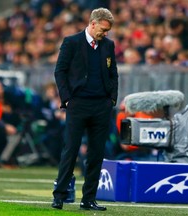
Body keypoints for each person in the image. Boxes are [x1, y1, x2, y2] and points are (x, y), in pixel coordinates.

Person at [52, 8, 118, 211]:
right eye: (103, 29)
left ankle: (88, 199)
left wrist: (112, 99)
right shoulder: (72, 42)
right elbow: (60, 71)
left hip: (101, 106)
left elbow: (113, 73)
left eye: (108, 30)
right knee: (70, 150)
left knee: (97, 153)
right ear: (93, 23)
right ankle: (59, 196)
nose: (105, 34)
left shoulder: (108, 45)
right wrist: (67, 99)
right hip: (78, 104)